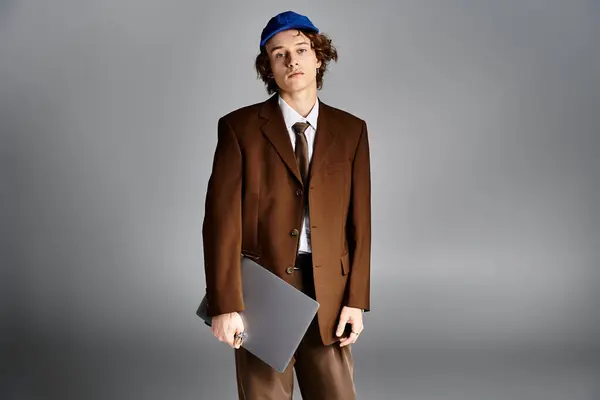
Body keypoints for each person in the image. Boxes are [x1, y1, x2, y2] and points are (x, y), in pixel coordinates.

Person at [201, 10, 371, 399]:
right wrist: (225, 304)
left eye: (300, 49)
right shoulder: (239, 128)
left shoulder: (351, 130)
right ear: (269, 68)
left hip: (329, 288)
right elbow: (220, 222)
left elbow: (360, 222)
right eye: (279, 54)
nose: (292, 60)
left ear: (319, 57)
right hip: (262, 291)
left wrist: (355, 301)